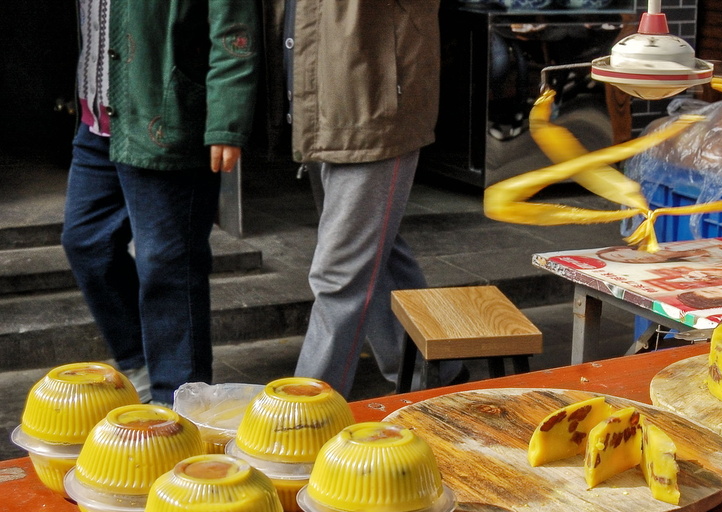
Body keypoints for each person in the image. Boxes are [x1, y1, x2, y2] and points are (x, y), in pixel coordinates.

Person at [62, 0, 260, 405]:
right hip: (97, 122)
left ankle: (179, 403)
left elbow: (234, 32)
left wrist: (227, 121)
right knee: (85, 241)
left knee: (168, 265)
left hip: (163, 117)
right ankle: (140, 365)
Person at [282, 0, 462, 397]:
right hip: (320, 94)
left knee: (339, 274)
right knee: (373, 248)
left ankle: (303, 416)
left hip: (373, 99)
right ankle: (436, 372)